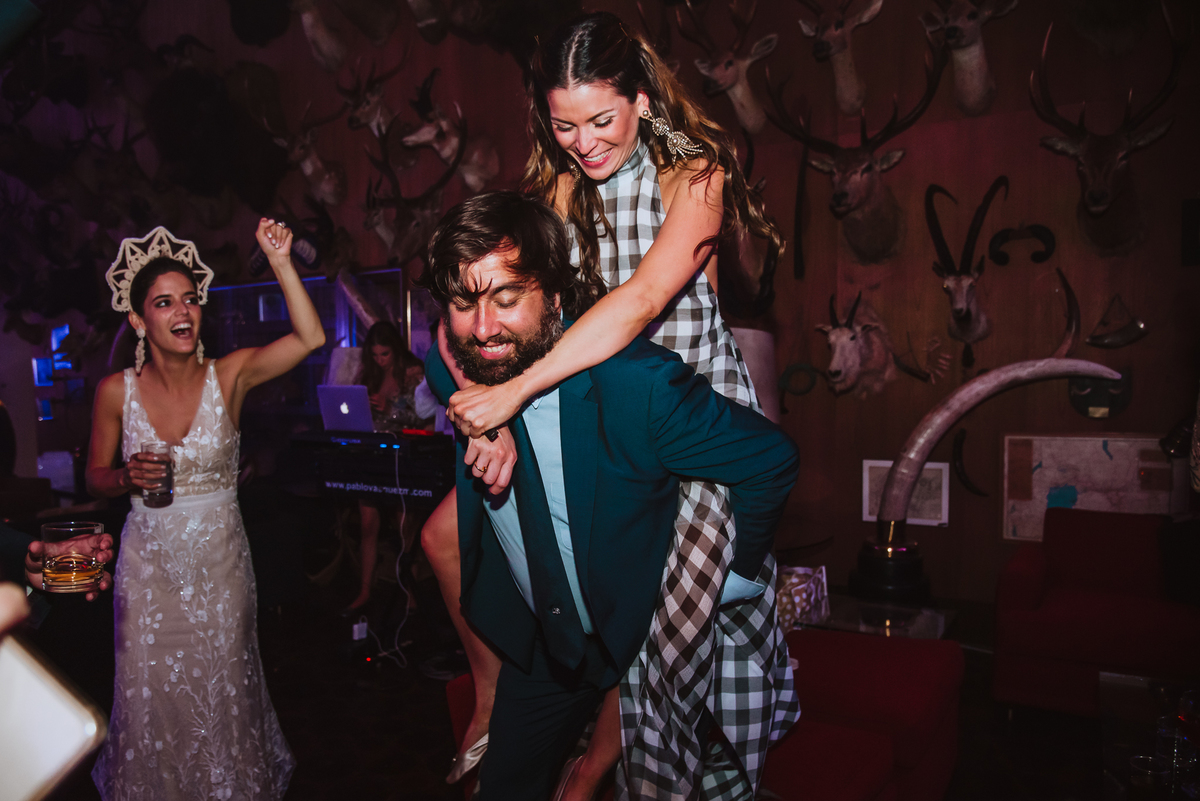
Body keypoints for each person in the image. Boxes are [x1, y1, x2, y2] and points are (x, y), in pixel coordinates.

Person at [419, 12, 795, 799]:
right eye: (564, 126)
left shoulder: (695, 173)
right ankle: (506, 697)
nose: (583, 143)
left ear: (642, 100)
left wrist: (513, 395)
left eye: (601, 121)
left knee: (669, 640)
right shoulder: (564, 183)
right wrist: (493, 406)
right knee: (451, 533)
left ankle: (607, 766)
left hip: (682, 402)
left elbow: (644, 300)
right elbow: (512, 309)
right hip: (594, 393)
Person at [86, 221, 325, 801]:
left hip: (221, 571)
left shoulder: (231, 374)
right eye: (164, 302)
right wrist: (123, 477)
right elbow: (94, 476)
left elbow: (310, 338)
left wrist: (280, 261)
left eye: (190, 298)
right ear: (138, 321)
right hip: (148, 578)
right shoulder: (115, 391)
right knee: (152, 699)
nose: (183, 311)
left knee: (223, 692)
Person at [347, 322, 433, 612]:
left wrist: (390, 410)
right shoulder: (368, 374)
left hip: (402, 457)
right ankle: (364, 590)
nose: (380, 360)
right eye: (374, 355)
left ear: (395, 350)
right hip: (371, 455)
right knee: (368, 523)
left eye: (384, 354)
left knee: (403, 524)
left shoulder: (413, 373)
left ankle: (410, 592)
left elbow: (424, 418)